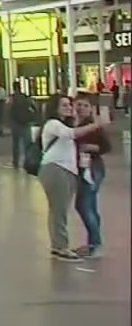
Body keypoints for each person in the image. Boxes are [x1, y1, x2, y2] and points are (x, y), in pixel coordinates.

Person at [36, 94, 104, 261]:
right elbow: (70, 134)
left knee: (59, 209)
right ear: (55, 107)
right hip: (56, 169)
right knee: (59, 210)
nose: (69, 108)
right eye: (64, 105)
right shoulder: (53, 124)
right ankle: (61, 246)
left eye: (69, 105)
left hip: (67, 171)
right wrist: (96, 125)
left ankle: (59, 245)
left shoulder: (65, 123)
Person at [73, 93, 111, 258]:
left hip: (93, 168)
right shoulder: (74, 124)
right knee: (90, 206)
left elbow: (106, 147)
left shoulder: (94, 126)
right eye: (78, 105)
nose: (81, 108)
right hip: (81, 168)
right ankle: (93, 243)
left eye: (85, 106)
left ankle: (96, 243)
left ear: (91, 109)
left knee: (83, 205)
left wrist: (89, 147)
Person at [8, 86, 38, 169]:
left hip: (16, 123)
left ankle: (15, 162)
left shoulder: (12, 97)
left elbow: (9, 110)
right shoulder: (26, 97)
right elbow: (34, 108)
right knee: (27, 144)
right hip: (26, 123)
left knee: (16, 144)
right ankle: (27, 161)